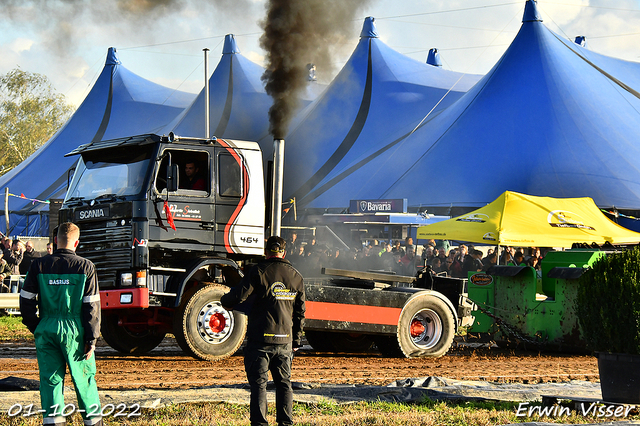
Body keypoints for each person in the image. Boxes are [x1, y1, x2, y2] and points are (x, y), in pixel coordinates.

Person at [20, 222, 102, 426]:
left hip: (47, 327)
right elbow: (91, 306)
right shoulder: (86, 266)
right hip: (75, 329)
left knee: (50, 380)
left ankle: (53, 422)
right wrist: (91, 338)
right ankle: (93, 422)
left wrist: (37, 326)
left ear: (56, 241)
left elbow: (26, 299)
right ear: (77, 242)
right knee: (84, 380)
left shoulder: (38, 265)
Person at [220, 236, 305, 426]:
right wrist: (296, 341)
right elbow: (300, 313)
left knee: (259, 385)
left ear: (266, 252)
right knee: (284, 384)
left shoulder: (258, 271)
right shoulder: (296, 276)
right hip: (285, 341)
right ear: (284, 252)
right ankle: (286, 423)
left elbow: (238, 296)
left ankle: (259, 424)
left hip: (260, 340)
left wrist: (224, 301)